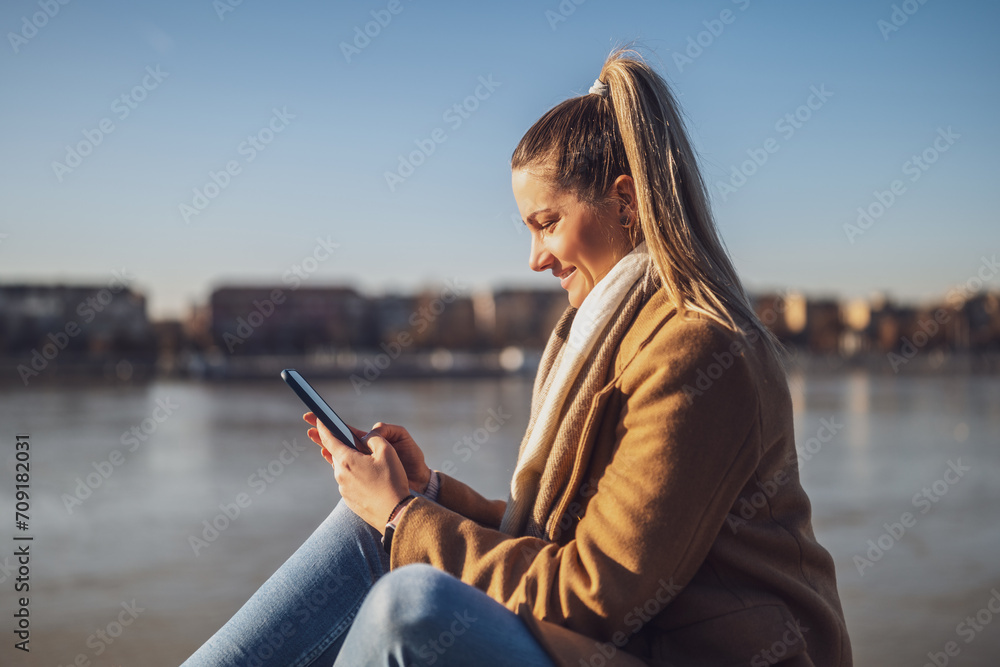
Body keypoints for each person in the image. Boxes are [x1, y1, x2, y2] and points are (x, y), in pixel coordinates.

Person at [183, 47, 852, 667]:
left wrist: (405, 517)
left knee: (408, 607)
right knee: (364, 530)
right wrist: (428, 496)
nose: (534, 259)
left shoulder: (700, 348)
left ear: (625, 201)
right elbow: (562, 539)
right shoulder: (595, 336)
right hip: (618, 642)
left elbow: (593, 593)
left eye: (546, 223)